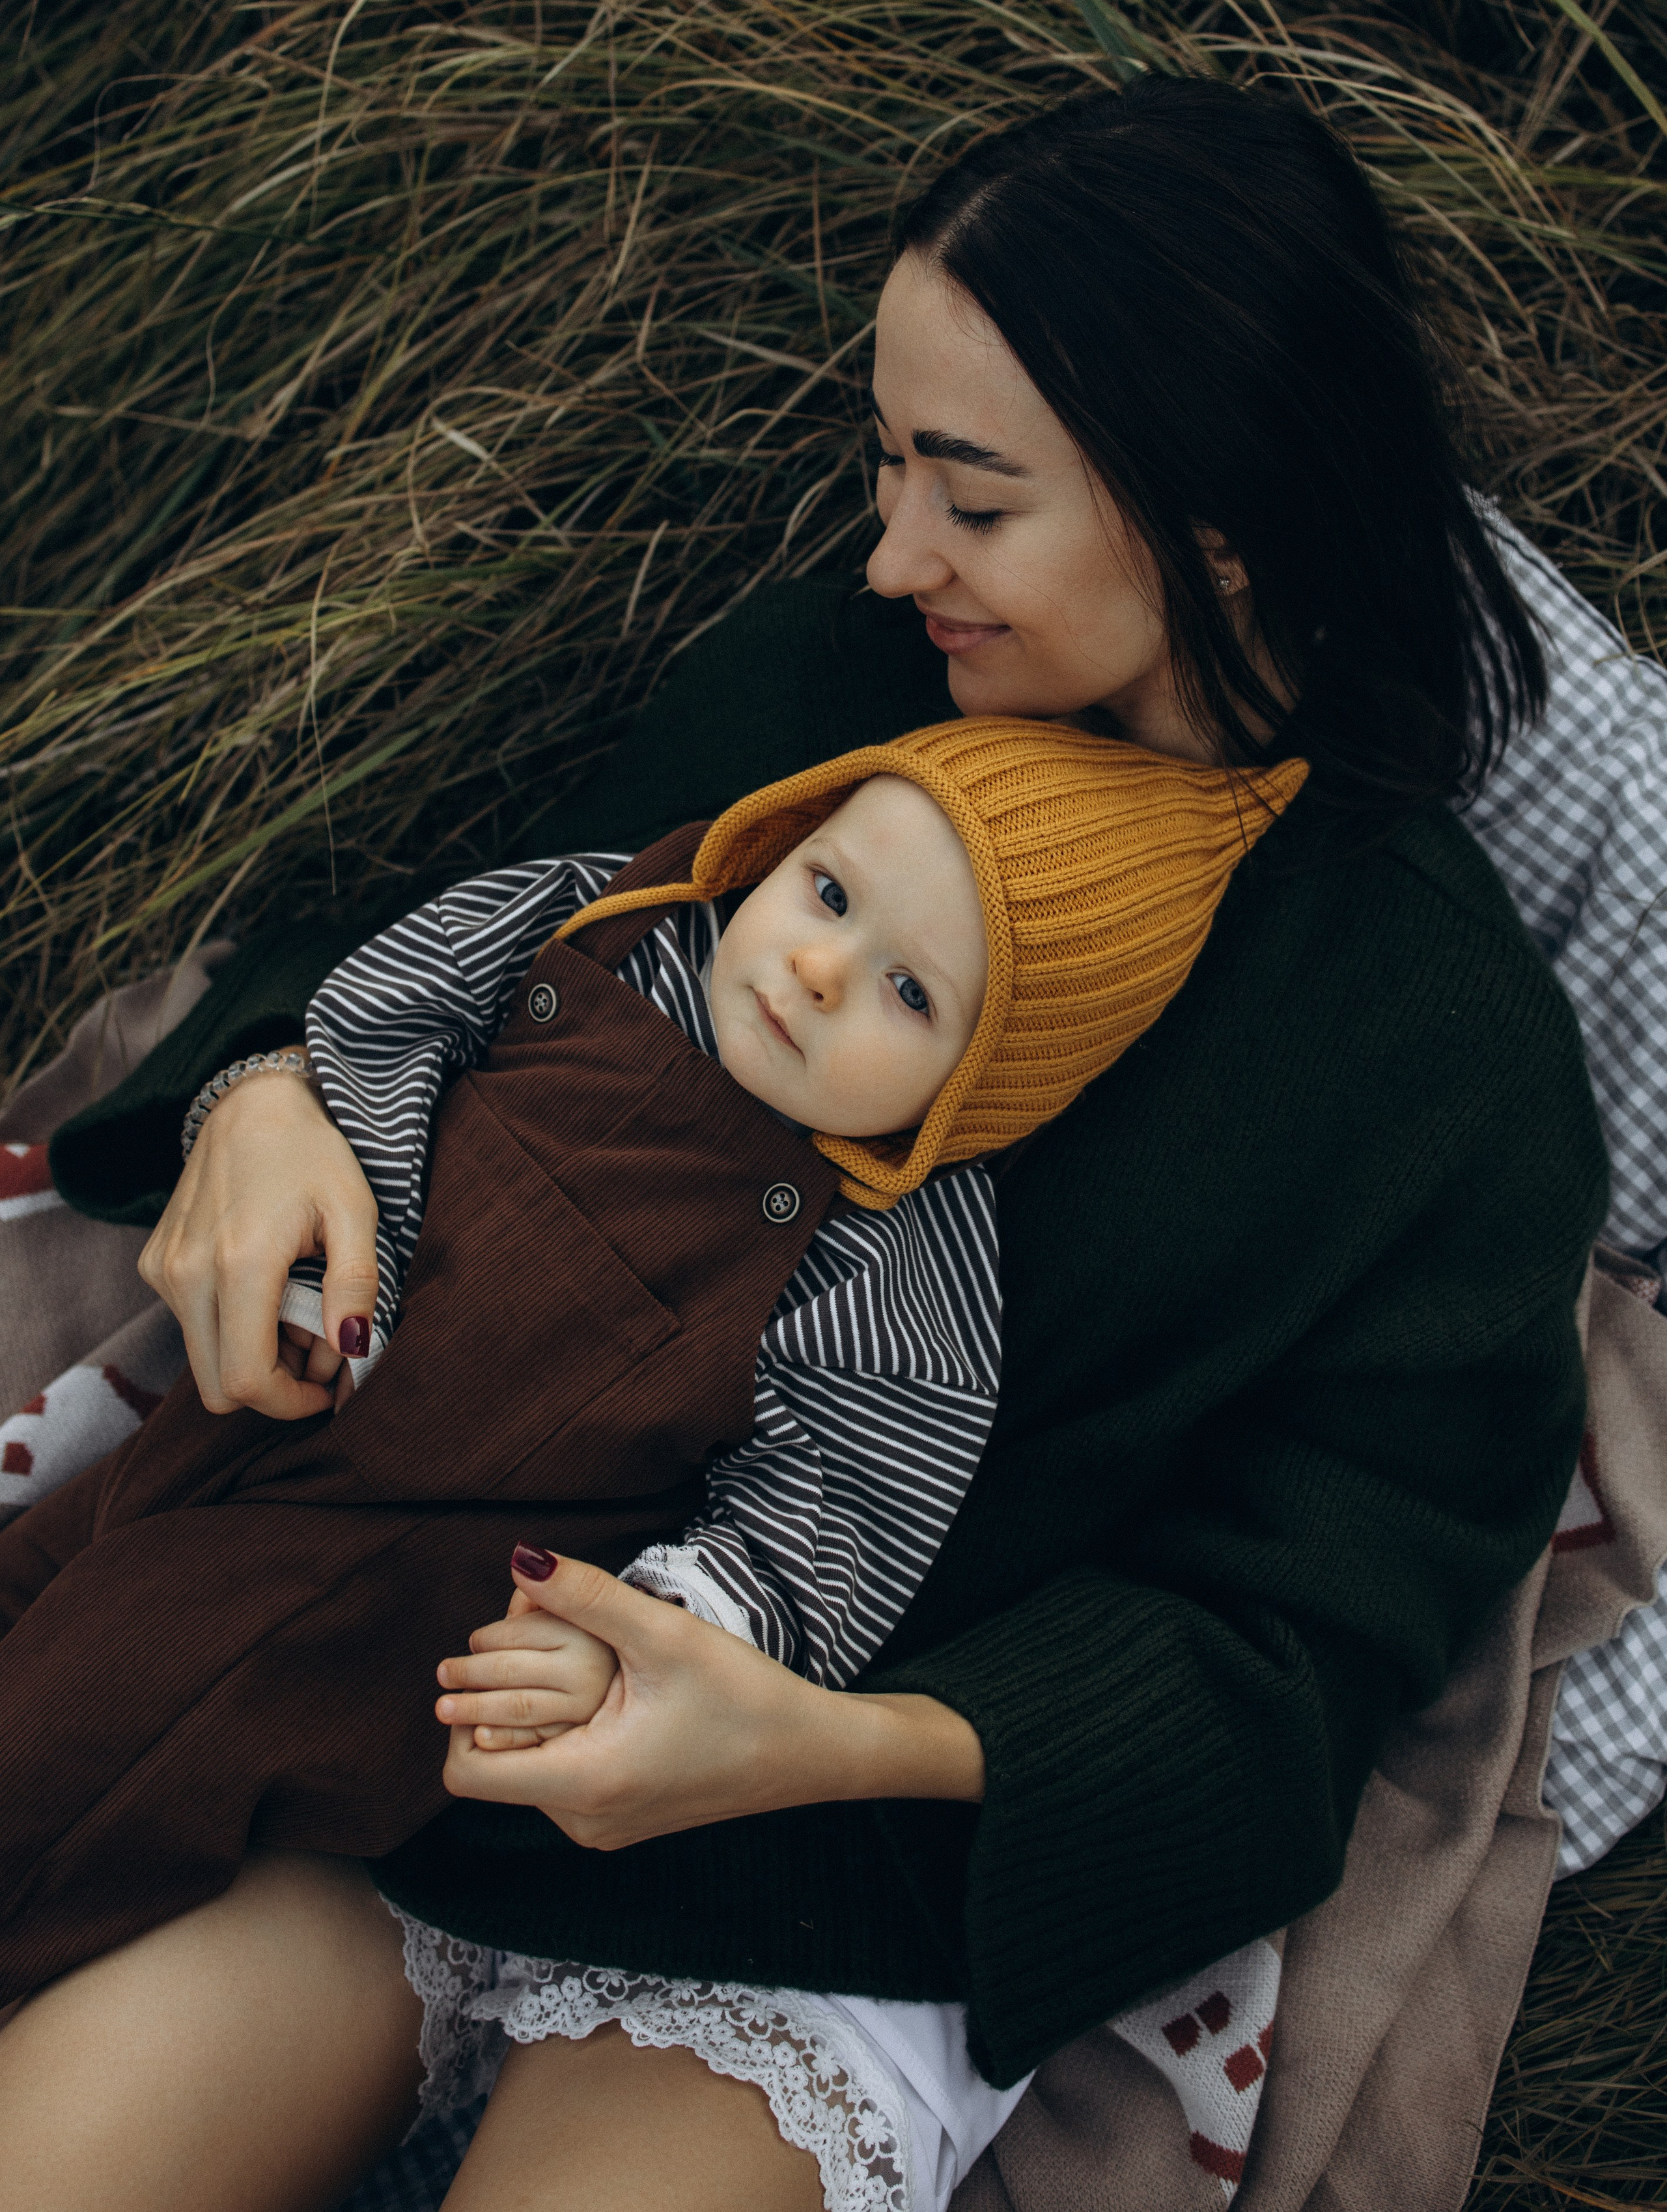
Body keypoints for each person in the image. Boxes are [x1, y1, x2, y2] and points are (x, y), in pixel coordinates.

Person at [0, 75, 1612, 2212]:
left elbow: (1291, 1673)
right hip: (421, 1705)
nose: (889, 549)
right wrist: (275, 1092)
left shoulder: (1435, 1058)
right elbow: (515, 938)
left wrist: (809, 1738)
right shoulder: (839, 687)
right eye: (887, 458)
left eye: (968, 492)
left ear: (1220, 521)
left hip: (846, 1875)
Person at [0, 716, 1305, 2037]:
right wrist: (346, 1266)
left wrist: (662, 1627)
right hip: (257, 1414)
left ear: (982, 1090)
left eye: (909, 995)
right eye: (830, 892)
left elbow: (834, 1516)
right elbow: (391, 1019)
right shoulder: (610, 918)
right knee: (44, 1585)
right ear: (784, 839)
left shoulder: (892, 1269)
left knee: (76, 1757)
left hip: (391, 1598)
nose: (814, 967)